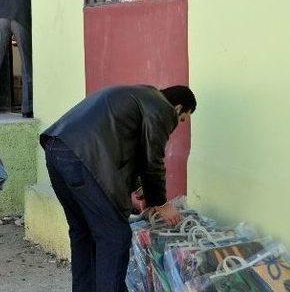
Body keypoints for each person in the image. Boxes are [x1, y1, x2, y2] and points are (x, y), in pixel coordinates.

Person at [40, 84, 197, 292]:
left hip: (57, 149)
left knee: (83, 232)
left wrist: (133, 192)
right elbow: (152, 161)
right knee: (115, 237)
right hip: (82, 157)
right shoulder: (162, 108)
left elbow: (126, 152)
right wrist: (160, 203)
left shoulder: (142, 95)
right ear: (178, 109)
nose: (178, 124)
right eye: (183, 119)